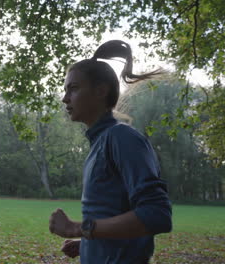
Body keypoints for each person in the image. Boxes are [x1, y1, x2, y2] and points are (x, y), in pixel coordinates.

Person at [49, 40, 172, 264]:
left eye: (73, 89)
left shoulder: (121, 138)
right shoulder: (100, 143)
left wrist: (78, 228)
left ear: (100, 91)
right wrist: (89, 243)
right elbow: (116, 215)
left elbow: (157, 215)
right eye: (65, 90)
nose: (65, 98)